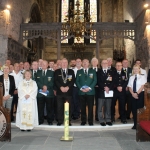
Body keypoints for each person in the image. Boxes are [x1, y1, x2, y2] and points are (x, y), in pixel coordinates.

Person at [54, 58, 75, 126]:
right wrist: (61, 87)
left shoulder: (71, 71)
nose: (64, 64)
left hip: (68, 92)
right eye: (63, 62)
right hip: (60, 93)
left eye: (65, 62)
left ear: (67, 63)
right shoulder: (57, 71)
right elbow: (56, 81)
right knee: (59, 107)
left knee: (68, 107)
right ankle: (60, 120)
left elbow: (72, 81)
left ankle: (68, 121)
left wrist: (67, 87)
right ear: (61, 63)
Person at [76, 59, 97, 126]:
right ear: (82, 63)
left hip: (90, 92)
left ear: (88, 63)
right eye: (84, 62)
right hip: (81, 92)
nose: (85, 63)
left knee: (91, 107)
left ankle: (90, 121)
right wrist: (81, 88)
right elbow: (77, 81)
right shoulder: (79, 71)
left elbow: (95, 80)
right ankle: (83, 121)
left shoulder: (93, 71)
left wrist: (89, 88)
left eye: (86, 62)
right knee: (82, 107)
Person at [128, 64, 147, 130]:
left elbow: (142, 86)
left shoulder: (142, 77)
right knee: (134, 110)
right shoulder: (131, 77)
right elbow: (129, 87)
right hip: (132, 95)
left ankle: (140, 125)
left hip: (140, 95)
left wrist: (136, 93)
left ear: (139, 69)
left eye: (137, 68)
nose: (135, 70)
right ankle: (135, 124)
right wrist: (133, 94)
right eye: (134, 69)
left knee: (139, 110)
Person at [36, 60, 54, 125]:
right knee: (40, 108)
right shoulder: (38, 72)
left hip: (49, 93)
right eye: (42, 64)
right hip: (40, 93)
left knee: (49, 107)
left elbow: (53, 82)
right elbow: (36, 81)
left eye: (45, 64)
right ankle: (40, 120)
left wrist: (47, 87)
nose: (43, 65)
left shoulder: (51, 72)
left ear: (47, 65)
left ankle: (50, 120)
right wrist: (42, 86)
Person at [97, 59, 114, 126]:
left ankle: (108, 119)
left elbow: (113, 82)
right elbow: (98, 82)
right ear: (101, 64)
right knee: (100, 107)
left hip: (108, 92)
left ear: (108, 64)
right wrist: (104, 87)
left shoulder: (111, 72)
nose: (104, 64)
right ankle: (101, 120)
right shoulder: (98, 72)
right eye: (103, 63)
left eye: (106, 63)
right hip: (101, 91)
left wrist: (108, 87)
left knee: (108, 107)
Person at [91, 57, 100, 121]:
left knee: (98, 103)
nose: (94, 63)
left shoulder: (100, 70)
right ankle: (90, 116)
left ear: (97, 63)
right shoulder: (89, 70)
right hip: (91, 89)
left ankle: (97, 116)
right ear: (91, 63)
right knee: (90, 103)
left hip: (98, 88)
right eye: (93, 62)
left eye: (95, 61)